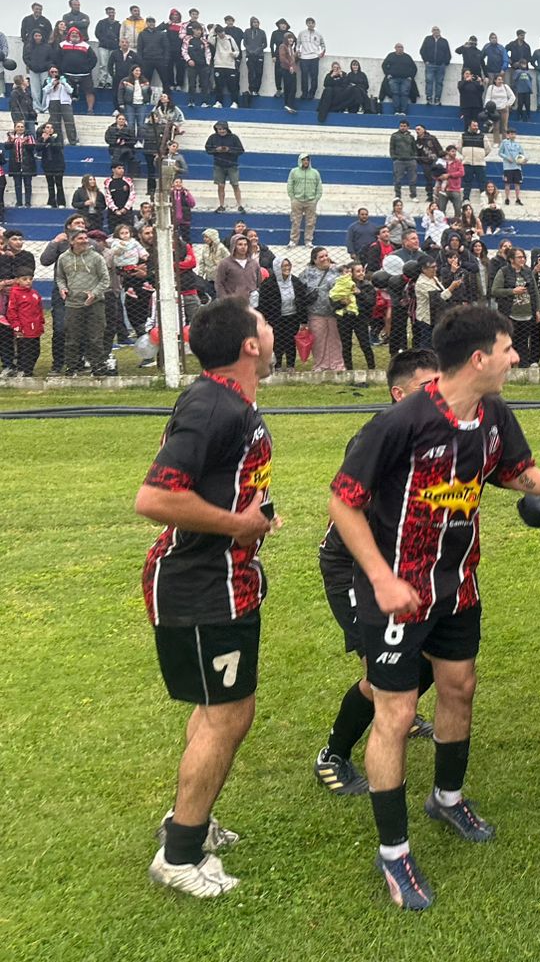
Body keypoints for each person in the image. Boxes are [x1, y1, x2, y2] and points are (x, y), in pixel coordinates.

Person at [325, 304, 540, 910]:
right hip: (397, 592)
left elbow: (516, 473)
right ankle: (394, 854)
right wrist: (380, 578)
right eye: (509, 349)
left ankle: (448, 799)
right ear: (479, 358)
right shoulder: (401, 421)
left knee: (459, 687)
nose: (516, 358)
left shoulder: (494, 414)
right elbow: (343, 502)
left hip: (457, 586)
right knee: (397, 714)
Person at [134, 298, 277, 898]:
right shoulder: (213, 404)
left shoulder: (229, 402)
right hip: (201, 583)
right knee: (229, 713)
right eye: (264, 325)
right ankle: (180, 855)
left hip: (225, 579)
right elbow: (155, 498)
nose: (272, 331)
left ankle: (187, 821)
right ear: (249, 345)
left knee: (218, 708)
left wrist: (251, 519)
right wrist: (238, 524)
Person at [314, 350, 443, 798]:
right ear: (399, 394)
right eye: (428, 386)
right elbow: (352, 510)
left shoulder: (439, 433)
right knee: (379, 673)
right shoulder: (378, 436)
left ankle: (397, 708)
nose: (438, 393)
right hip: (353, 568)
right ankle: (333, 754)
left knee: (431, 659)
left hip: (404, 569)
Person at [54, 228, 112, 375]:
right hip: (72, 304)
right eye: (80, 238)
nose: (85, 241)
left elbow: (105, 280)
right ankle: (72, 367)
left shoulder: (96, 257)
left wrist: (94, 293)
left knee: (95, 337)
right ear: (71, 241)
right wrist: (63, 288)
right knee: (72, 338)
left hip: (95, 303)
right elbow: (60, 277)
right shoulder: (63, 258)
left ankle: (98, 367)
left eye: (86, 238)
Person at [257, 257, 306, 370]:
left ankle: (290, 365)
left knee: (290, 341)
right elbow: (263, 303)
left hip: (292, 316)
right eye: (283, 266)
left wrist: (303, 320)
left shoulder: (296, 282)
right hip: (276, 318)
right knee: (277, 341)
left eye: (288, 265)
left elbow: (302, 301)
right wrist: (264, 319)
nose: (286, 268)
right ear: (277, 268)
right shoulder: (268, 284)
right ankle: (277, 365)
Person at [332, 262, 378, 371]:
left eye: (362, 271)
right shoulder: (341, 286)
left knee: (365, 344)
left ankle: (372, 368)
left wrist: (359, 293)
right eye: (358, 271)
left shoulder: (367, 285)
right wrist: (342, 303)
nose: (361, 273)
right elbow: (333, 303)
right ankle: (349, 369)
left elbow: (371, 302)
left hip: (360, 319)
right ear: (350, 273)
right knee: (346, 345)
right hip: (344, 319)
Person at [302, 248, 342, 372]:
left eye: (326, 255)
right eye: (321, 257)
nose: (325, 258)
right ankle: (320, 364)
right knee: (318, 340)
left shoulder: (337, 270)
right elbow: (301, 290)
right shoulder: (307, 273)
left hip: (334, 312)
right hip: (315, 312)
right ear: (314, 260)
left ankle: (337, 364)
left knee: (335, 338)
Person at [205, 121, 246, 215]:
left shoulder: (234, 138)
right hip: (218, 165)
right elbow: (208, 149)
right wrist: (216, 150)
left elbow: (241, 150)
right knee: (220, 186)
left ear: (227, 129)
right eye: (219, 129)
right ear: (216, 129)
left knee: (235, 185)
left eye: (223, 129)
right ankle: (221, 205)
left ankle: (239, 205)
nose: (221, 131)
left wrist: (229, 150)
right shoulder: (212, 138)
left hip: (232, 165)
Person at [287, 153, 323, 248]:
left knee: (311, 222)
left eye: (307, 160)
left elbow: (319, 186)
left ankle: (308, 241)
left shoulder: (315, 173)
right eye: (303, 160)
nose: (305, 162)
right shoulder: (294, 171)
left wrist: (316, 199)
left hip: (311, 201)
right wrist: (292, 198)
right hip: (297, 200)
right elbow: (290, 184)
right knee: (295, 221)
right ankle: (293, 241)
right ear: (300, 161)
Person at [382, 43, 417, 115]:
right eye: (398, 47)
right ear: (395, 48)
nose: (400, 48)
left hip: (405, 79)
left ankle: (403, 111)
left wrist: (411, 76)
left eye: (401, 47)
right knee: (395, 93)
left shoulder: (407, 57)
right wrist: (387, 74)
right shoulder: (390, 56)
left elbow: (414, 68)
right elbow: (384, 65)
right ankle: (397, 111)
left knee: (404, 94)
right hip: (393, 79)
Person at [419, 27, 450, 105]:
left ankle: (437, 99)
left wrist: (445, 63)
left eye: (437, 30)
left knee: (439, 82)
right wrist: (426, 60)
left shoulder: (444, 41)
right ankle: (429, 98)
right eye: (434, 30)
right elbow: (422, 51)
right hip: (430, 65)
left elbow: (448, 53)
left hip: (441, 66)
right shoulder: (427, 39)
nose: (436, 31)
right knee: (429, 81)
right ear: (432, 31)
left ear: (440, 31)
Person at [297, 17, 326, 99]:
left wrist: (321, 53)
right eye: (309, 23)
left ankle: (312, 93)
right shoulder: (302, 33)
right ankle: (304, 93)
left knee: (314, 76)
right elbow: (298, 44)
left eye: (312, 23)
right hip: (304, 57)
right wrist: (298, 51)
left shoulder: (318, 34)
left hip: (314, 57)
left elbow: (323, 45)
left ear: (314, 24)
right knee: (304, 76)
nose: (310, 24)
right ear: (306, 24)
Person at [496, 129, 525, 206]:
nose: (513, 136)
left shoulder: (518, 144)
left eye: (514, 134)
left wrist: (521, 160)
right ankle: (507, 198)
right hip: (507, 167)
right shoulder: (504, 143)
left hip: (517, 167)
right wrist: (507, 158)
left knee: (517, 184)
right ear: (508, 135)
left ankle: (518, 199)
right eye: (511, 134)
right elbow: (500, 153)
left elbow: (522, 154)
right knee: (507, 183)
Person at [483, 73, 515, 142]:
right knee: (496, 127)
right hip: (494, 110)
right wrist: (487, 107)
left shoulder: (505, 87)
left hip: (504, 109)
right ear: (495, 80)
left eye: (501, 80)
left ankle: (505, 142)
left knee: (504, 127)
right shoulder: (491, 87)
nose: (501, 81)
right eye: (499, 79)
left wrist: (508, 104)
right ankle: (496, 142)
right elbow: (487, 98)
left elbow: (512, 97)